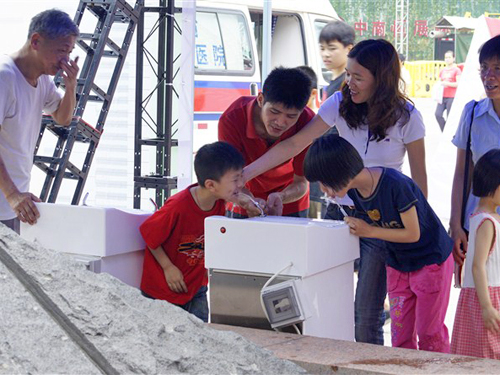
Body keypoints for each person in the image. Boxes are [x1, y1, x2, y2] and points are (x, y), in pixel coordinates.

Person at [243, 39, 427, 345]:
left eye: (357, 77)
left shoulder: (407, 116)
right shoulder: (339, 103)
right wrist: (246, 173)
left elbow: (419, 180)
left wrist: (417, 230)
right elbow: (293, 144)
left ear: (381, 79)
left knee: (366, 315)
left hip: (382, 220)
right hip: (338, 213)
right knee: (319, 301)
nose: (349, 82)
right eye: (349, 74)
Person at [305, 134, 453, 352]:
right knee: (400, 334)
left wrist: (369, 230)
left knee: (429, 333)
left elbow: (413, 233)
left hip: (430, 262)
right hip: (397, 262)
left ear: (338, 173)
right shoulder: (355, 193)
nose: (324, 191)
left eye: (324, 183)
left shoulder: (395, 185)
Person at [139, 141, 245, 322]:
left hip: (196, 288)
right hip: (163, 291)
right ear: (211, 185)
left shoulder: (221, 203)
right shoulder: (179, 206)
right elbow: (148, 233)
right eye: (235, 180)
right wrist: (168, 267)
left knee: (201, 337)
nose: (241, 184)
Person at [0, 9, 80, 234]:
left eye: (70, 52)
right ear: (36, 41)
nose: (65, 60)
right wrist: (12, 194)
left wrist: (71, 86)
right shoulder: (4, 77)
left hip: (14, 204)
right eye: (61, 51)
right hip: (9, 198)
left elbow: (63, 119)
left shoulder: (43, 80)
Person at [218, 66, 314, 218]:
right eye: (274, 112)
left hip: (290, 203)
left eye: (291, 116)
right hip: (243, 201)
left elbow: (301, 182)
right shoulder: (232, 119)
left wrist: (282, 197)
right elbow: (229, 180)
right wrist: (247, 201)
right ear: (261, 99)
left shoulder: (308, 122)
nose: (281, 123)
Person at [450, 35, 500, 269]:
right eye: (484, 68)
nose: (489, 76)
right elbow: (462, 173)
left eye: (498, 68)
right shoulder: (472, 114)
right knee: (481, 300)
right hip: (478, 227)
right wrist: (456, 223)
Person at [451, 149, 500, 359]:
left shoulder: (482, 217)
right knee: (486, 357)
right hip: (486, 297)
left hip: (484, 295)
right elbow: (478, 266)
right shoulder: (487, 222)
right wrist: (487, 307)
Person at [319, 21, 355, 98]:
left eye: (332, 48)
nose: (326, 54)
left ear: (349, 49)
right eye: (322, 48)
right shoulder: (334, 82)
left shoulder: (348, 85)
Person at [435, 50, 461, 132]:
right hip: (442, 96)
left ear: (453, 58)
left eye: (449, 57)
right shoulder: (442, 70)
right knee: (437, 114)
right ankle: (445, 131)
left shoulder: (456, 70)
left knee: (450, 116)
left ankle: (450, 133)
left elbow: (458, 84)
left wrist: (448, 83)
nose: (447, 59)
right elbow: (439, 82)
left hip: (451, 96)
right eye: (446, 57)